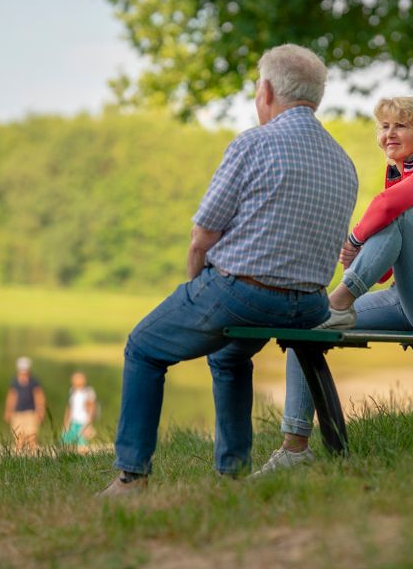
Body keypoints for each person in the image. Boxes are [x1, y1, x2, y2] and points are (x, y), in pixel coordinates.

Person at [97, 43, 359, 498]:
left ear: (266, 91)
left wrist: (197, 285)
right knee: (229, 356)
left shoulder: (253, 143)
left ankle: (131, 477)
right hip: (310, 306)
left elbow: (203, 236)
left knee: (143, 347)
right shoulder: (343, 161)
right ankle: (232, 475)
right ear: (315, 97)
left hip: (244, 293)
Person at [254, 96, 413, 475]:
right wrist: (360, 256)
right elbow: (386, 275)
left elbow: (389, 209)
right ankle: (295, 448)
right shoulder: (399, 176)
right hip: (407, 299)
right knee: (306, 325)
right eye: (385, 126)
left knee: (397, 211)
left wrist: (356, 239)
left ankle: (338, 301)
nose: (389, 133)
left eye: (401, 126)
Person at [3, 357, 46, 452]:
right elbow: (11, 397)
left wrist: (40, 410)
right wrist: (8, 411)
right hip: (17, 413)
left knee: (31, 436)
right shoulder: (14, 382)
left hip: (30, 413)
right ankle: (19, 456)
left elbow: (39, 396)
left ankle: (33, 454)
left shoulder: (34, 382)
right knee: (18, 437)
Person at [61, 372, 97, 452]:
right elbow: (70, 408)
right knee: (66, 439)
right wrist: (66, 422)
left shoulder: (88, 392)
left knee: (81, 442)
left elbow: (91, 408)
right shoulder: (72, 391)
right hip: (73, 421)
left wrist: (89, 423)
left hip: (83, 421)